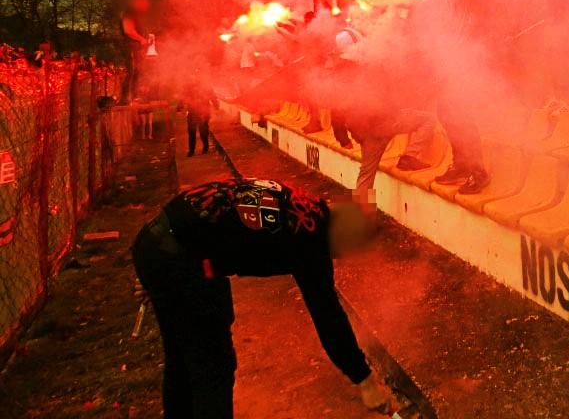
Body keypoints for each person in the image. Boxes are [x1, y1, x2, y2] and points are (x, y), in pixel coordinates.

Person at [132, 178, 389, 417]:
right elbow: (328, 316)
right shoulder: (309, 242)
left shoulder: (306, 206)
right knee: (212, 364)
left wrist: (157, 268)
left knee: (181, 356)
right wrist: (365, 381)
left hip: (157, 243)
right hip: (179, 256)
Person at [121, 0, 152, 104]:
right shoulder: (129, 13)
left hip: (135, 47)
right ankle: (126, 98)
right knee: (132, 71)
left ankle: (134, 97)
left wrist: (145, 40)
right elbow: (128, 30)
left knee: (137, 71)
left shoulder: (137, 16)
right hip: (130, 46)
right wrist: (141, 39)